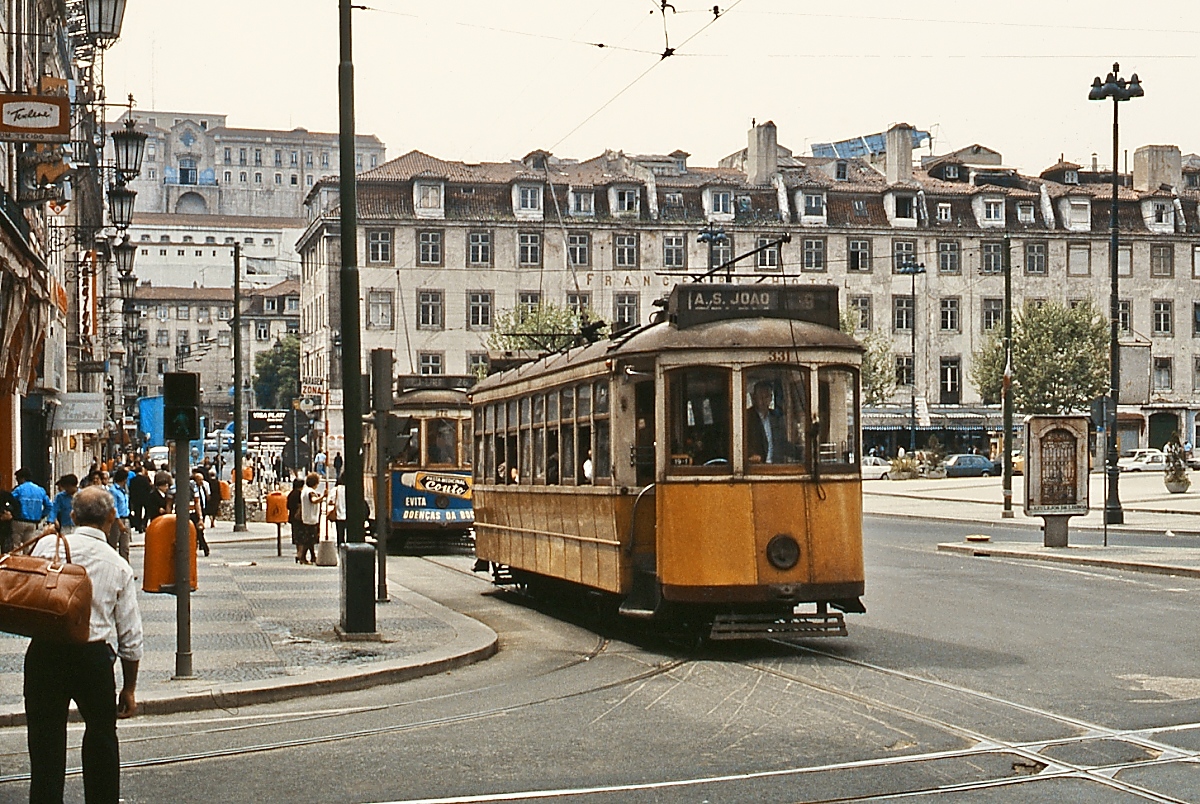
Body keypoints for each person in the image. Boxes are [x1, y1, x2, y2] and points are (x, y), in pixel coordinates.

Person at [24, 485, 143, 804]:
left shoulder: (47, 546)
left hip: (45, 653)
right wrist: (129, 687)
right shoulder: (118, 565)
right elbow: (130, 636)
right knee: (102, 737)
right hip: (92, 659)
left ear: (73, 516)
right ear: (112, 516)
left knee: (45, 739)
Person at [745, 381, 797, 464]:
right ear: (754, 398)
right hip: (755, 467)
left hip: (774, 467)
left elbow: (782, 444)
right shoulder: (746, 417)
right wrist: (750, 455)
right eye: (760, 396)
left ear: (771, 398)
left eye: (766, 396)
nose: (763, 400)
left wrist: (802, 453)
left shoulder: (776, 418)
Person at [10, 468, 52, 548]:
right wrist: (41, 515)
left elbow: (10, 500)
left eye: (17, 479)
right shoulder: (40, 490)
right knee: (29, 547)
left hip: (19, 521)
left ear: (22, 478)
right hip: (33, 523)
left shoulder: (19, 489)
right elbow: (49, 506)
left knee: (16, 546)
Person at [108, 469, 132, 562]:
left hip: (126, 518)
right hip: (117, 520)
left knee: (125, 546)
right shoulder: (113, 490)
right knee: (113, 543)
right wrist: (119, 522)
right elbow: (114, 507)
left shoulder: (124, 490)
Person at [300, 473, 324, 564]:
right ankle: (303, 557)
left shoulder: (304, 491)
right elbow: (314, 500)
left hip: (306, 517)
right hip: (311, 518)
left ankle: (312, 556)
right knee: (309, 540)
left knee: (309, 539)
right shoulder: (311, 492)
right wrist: (323, 497)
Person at [190, 471, 211, 557]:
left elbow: (207, 496)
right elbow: (196, 502)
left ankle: (202, 546)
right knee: (198, 532)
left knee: (200, 530)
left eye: (202, 479)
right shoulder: (193, 489)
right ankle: (203, 548)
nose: (201, 481)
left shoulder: (204, 486)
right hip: (195, 512)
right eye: (199, 480)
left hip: (202, 510)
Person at [287, 478, 306, 563]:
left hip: (292, 517)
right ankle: (300, 554)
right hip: (300, 517)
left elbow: (288, 506)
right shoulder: (300, 494)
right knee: (302, 536)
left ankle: (298, 552)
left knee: (296, 536)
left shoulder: (291, 494)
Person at [128, 462, 151, 533]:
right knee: (147, 511)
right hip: (145, 498)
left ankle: (138, 526)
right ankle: (144, 524)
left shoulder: (133, 480)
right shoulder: (145, 479)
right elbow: (149, 488)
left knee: (137, 512)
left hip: (136, 498)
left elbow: (131, 489)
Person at [328, 475, 348, 545]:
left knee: (340, 536)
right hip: (350, 516)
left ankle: (340, 547)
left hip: (339, 515)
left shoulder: (335, 489)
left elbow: (330, 501)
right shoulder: (351, 488)